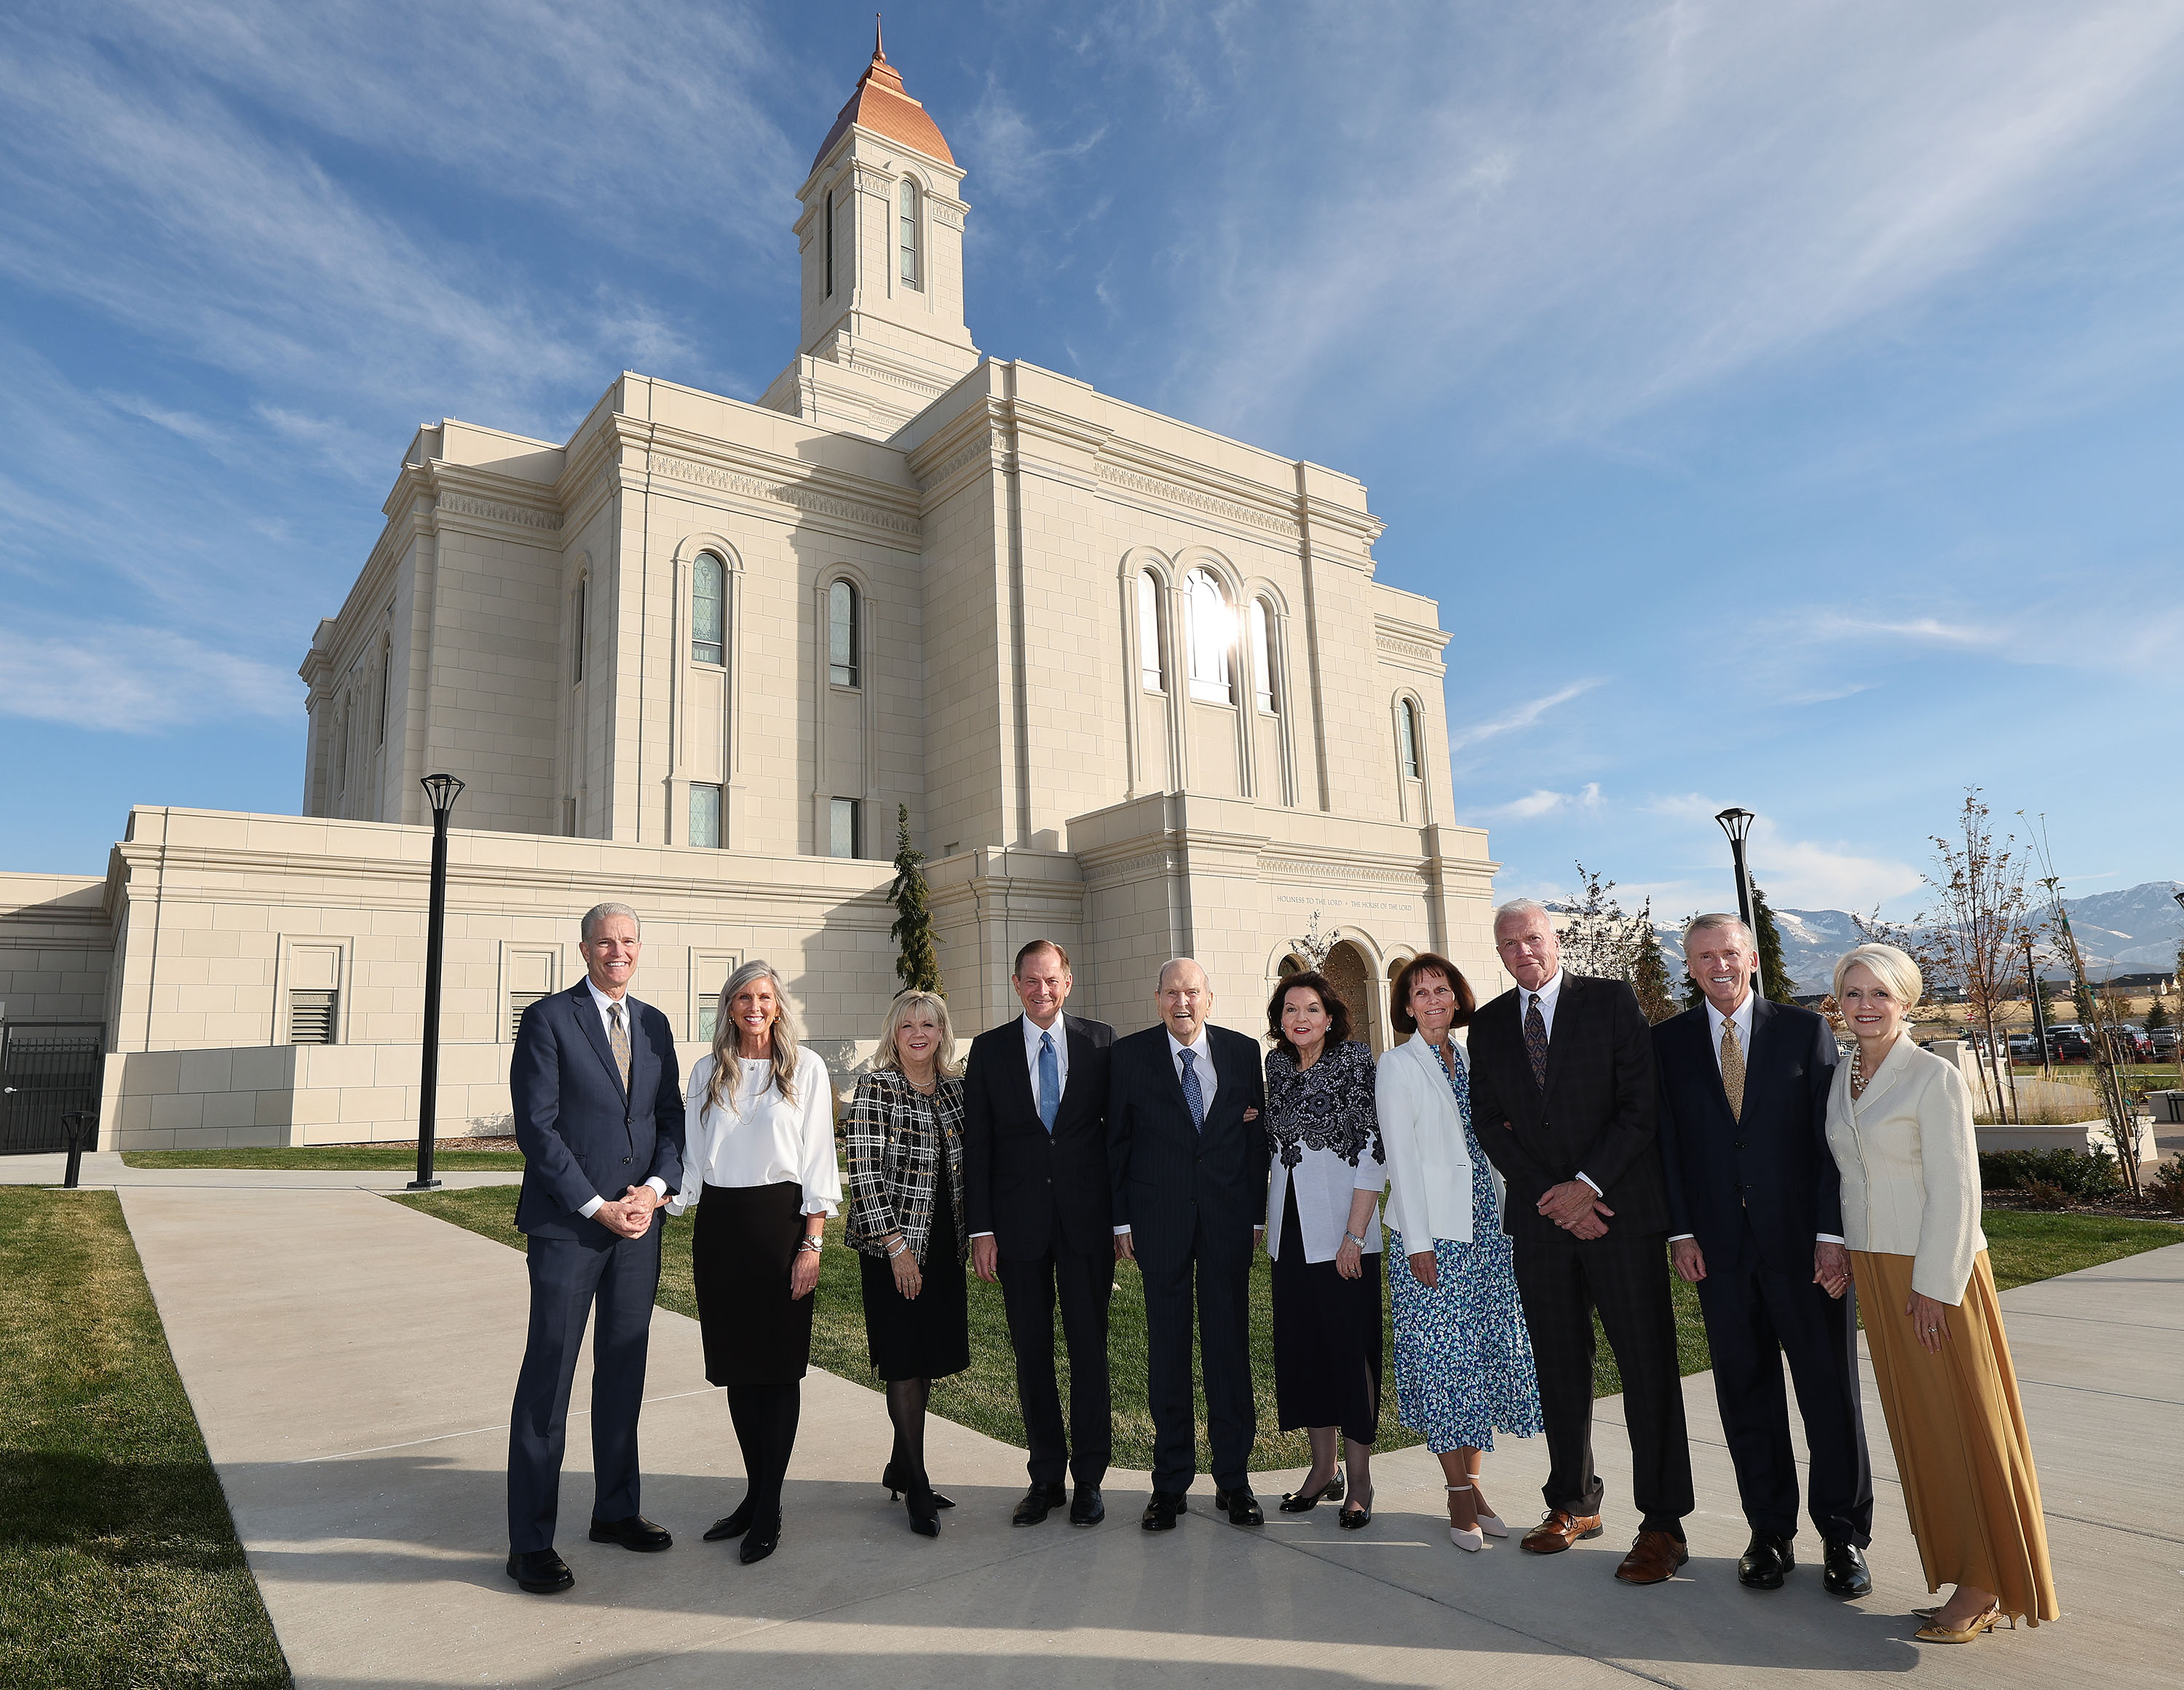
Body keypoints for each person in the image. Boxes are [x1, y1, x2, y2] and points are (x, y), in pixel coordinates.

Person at [1824, 943, 2058, 1642]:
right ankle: (1963, 1568)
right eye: (1852, 993)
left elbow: (1960, 1191)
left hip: (1937, 1276)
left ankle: (1990, 1581)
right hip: (1875, 1268)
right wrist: (1837, 1249)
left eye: (1880, 995)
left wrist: (1934, 1287)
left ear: (1908, 1002)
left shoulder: (1934, 1077)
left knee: (1968, 1425)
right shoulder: (1843, 1075)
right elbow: (1847, 1175)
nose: (1864, 1006)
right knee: (1922, 1430)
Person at [1468, 898, 1695, 1585]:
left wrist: (1587, 1187)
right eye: (1508, 944)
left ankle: (1662, 1525)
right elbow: (1490, 1122)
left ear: (1555, 939)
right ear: (1500, 953)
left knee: (1646, 1369)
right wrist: (1554, 1197)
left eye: (1532, 938)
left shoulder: (1611, 1001)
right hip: (1542, 1226)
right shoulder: (1489, 1025)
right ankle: (1573, 1502)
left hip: (1620, 1216)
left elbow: (1640, 1106)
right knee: (1561, 1368)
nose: (1522, 952)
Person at [1655, 915, 1874, 1597]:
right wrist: (1680, 1231)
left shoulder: (1803, 1031)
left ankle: (1842, 1535)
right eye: (1702, 956)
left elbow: (1833, 1142)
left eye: (1728, 953)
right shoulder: (1666, 1043)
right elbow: (1667, 1148)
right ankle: (1769, 1532)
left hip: (1804, 1249)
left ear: (1750, 958)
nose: (1717, 965)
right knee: (1744, 1393)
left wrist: (1831, 1236)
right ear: (1687, 966)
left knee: (1827, 1391)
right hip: (1717, 1252)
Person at [505, 902, 685, 1595]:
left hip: (639, 1229)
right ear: (584, 949)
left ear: (640, 949)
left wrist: (655, 1189)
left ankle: (616, 1511)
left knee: (623, 1371)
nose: (619, 952)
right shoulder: (549, 1020)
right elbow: (538, 1128)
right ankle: (529, 1544)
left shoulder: (655, 1024)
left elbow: (669, 1119)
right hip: (570, 1229)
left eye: (629, 941)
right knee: (549, 1380)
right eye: (606, 941)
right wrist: (596, 1204)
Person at [668, 959, 840, 1566]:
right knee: (740, 1372)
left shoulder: (807, 1070)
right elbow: (691, 1160)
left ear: (778, 1004)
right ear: (729, 1007)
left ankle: (769, 1507)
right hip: (721, 1231)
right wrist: (659, 1201)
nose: (755, 1007)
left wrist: (812, 1242)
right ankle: (753, 1494)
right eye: (743, 997)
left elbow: (819, 1159)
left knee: (779, 1370)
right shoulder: (707, 1071)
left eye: (764, 996)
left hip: (781, 1227)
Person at [1377, 951, 1544, 1552]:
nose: (1432, 1001)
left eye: (1441, 990)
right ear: (1406, 1005)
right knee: (1444, 1364)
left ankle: (1475, 1487)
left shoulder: (1472, 1059)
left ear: (1457, 996)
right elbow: (1399, 1156)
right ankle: (1455, 1498)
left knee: (1478, 1358)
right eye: (1420, 992)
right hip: (1433, 1235)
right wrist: (1419, 1244)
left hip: (1484, 1227)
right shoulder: (1397, 1066)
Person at [1107, 958, 1270, 1531]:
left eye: (1192, 992)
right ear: (1157, 1001)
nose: (1183, 1002)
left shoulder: (1242, 1052)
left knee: (1229, 1353)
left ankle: (1235, 1481)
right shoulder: (1128, 1057)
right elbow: (1118, 1145)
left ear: (1209, 999)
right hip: (1160, 1225)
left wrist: (1255, 1214)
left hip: (1227, 1225)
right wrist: (1121, 1222)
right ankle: (1169, 1485)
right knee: (1168, 1356)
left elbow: (1256, 1143)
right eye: (1172, 993)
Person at [961, 940, 1116, 1528]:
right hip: (1017, 1227)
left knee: (1089, 1352)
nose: (1041, 990)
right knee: (1032, 1355)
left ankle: (1090, 1482)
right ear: (1016, 983)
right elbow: (979, 1146)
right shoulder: (990, 1050)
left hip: (1086, 1225)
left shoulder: (1101, 1043)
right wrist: (982, 1229)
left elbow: (1117, 1135)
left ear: (1068, 982)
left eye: (1051, 980)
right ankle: (1046, 1477)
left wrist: (1120, 1221)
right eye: (1031, 980)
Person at [844, 989, 970, 1539]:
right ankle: (915, 1482)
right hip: (893, 1243)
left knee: (927, 1360)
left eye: (929, 1025)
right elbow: (864, 1174)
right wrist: (897, 1249)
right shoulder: (878, 1088)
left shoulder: (956, 1092)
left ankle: (900, 1462)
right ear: (893, 1035)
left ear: (942, 1032)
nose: (919, 1034)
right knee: (902, 1360)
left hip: (944, 1244)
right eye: (907, 1026)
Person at [1262, 971, 1385, 1529]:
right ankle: (1322, 1471)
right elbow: (1274, 1137)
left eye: (1312, 1008)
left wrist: (1354, 1235)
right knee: (1305, 1351)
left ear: (1330, 1017)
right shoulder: (1276, 1068)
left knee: (1348, 1353)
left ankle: (1360, 1481)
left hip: (1343, 1233)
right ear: (1280, 1020)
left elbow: (1371, 1150)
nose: (1301, 1017)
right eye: (1290, 1009)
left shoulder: (1356, 1062)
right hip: (1290, 1233)